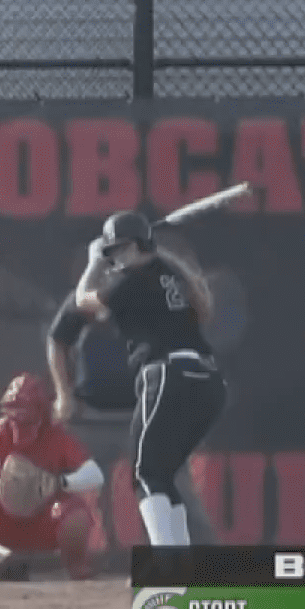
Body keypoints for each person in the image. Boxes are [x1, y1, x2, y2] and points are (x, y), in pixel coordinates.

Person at [47, 212, 225, 547]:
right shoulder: (170, 276)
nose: (114, 258)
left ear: (137, 246)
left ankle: (165, 564)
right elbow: (203, 307)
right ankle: (181, 564)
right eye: (110, 252)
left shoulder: (129, 280)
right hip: (207, 381)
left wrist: (92, 262)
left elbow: (87, 302)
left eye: (119, 250)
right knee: (163, 475)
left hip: (167, 375)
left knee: (146, 475)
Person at [0, 373, 105, 581]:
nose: (19, 420)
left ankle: (75, 565)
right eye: (14, 412)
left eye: (26, 412)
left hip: (44, 520)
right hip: (4, 519)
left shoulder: (56, 436)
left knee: (76, 512)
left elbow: (95, 475)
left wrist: (58, 483)